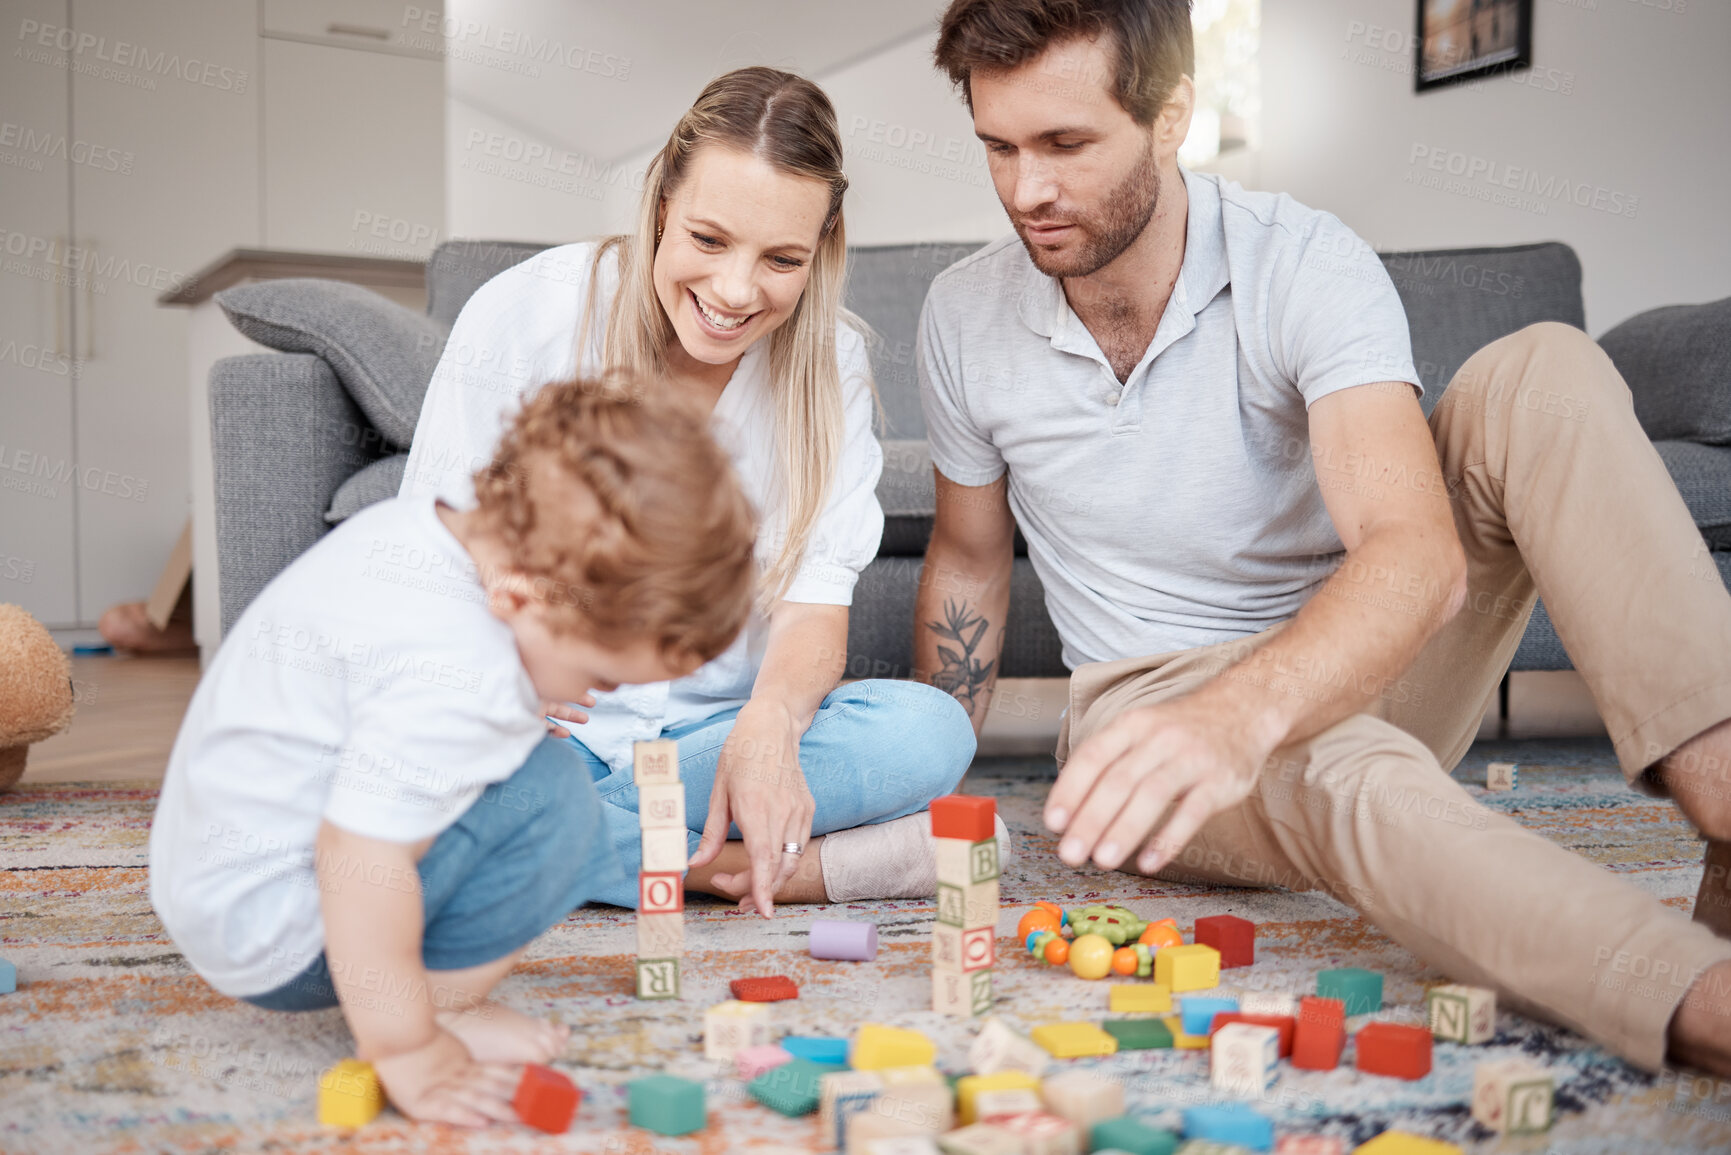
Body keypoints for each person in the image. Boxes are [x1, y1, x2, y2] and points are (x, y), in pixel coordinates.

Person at [915, 0, 1731, 1075]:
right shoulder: (961, 314)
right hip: (1146, 703)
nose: (1029, 191)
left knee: (1543, 369)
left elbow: (1416, 551)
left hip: (1360, 659)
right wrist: (926, 790)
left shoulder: (1301, 260)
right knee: (1353, 778)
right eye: (999, 148)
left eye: (1066, 144)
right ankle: (1704, 1004)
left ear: (1171, 120)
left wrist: (1246, 711)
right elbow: (971, 559)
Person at [401, 67, 984, 918]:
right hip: (543, 734)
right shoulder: (525, 313)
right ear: (661, 202)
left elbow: (813, 606)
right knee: (430, 765)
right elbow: (430, 557)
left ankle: (585, 849)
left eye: (781, 259)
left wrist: (771, 727)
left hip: (709, 740)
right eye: (710, 241)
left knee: (930, 732)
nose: (736, 292)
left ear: (821, 248)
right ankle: (742, 868)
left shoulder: (832, 364)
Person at [149, 380, 756, 1125]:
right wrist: (406, 1046)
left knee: (522, 759)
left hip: (217, 891)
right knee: (561, 802)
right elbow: (359, 857)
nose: (601, 695)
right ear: (524, 597)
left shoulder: (421, 531)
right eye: (601, 674)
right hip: (281, 935)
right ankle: (438, 1004)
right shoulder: (459, 675)